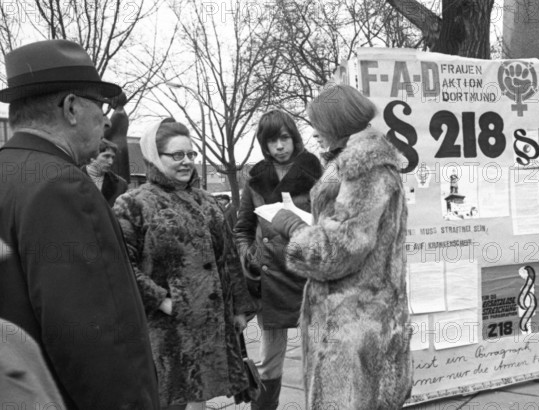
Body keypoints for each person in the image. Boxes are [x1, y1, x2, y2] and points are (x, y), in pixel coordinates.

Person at [0, 39, 160, 409]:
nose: (105, 120)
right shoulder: (64, 186)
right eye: (99, 106)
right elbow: (97, 341)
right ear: (71, 107)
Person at [270, 84, 413, 409]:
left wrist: (292, 228)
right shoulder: (358, 165)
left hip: (352, 327)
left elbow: (342, 248)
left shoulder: (363, 169)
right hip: (358, 319)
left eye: (318, 125)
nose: (315, 133)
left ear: (337, 125)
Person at [113, 119, 256, 409]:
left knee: (197, 397)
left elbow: (227, 257)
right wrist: (162, 300)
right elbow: (120, 266)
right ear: (155, 156)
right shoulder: (133, 204)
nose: (187, 161)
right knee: (172, 397)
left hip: (210, 322)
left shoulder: (207, 202)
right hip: (165, 327)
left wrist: (240, 308)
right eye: (177, 155)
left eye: (191, 154)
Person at [233, 109, 322, 410]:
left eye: (284, 138)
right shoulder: (255, 179)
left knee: (317, 357)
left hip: (309, 278)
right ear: (264, 144)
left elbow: (329, 224)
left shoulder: (316, 173)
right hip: (270, 280)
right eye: (272, 141)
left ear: (294, 138)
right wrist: (251, 258)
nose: (280, 147)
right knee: (269, 361)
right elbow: (243, 229)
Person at [83, 138, 128, 206]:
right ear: (92, 157)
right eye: (106, 156)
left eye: (112, 157)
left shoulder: (120, 185)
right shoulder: (73, 179)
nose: (111, 162)